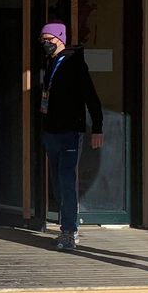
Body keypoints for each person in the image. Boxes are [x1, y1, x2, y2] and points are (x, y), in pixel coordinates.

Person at [39, 22, 103, 251]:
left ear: (60, 38)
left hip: (69, 132)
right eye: (42, 40)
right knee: (57, 182)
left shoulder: (75, 64)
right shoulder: (50, 63)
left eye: (49, 39)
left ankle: (68, 230)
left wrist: (97, 127)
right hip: (51, 131)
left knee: (67, 181)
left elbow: (91, 96)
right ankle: (64, 224)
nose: (45, 43)